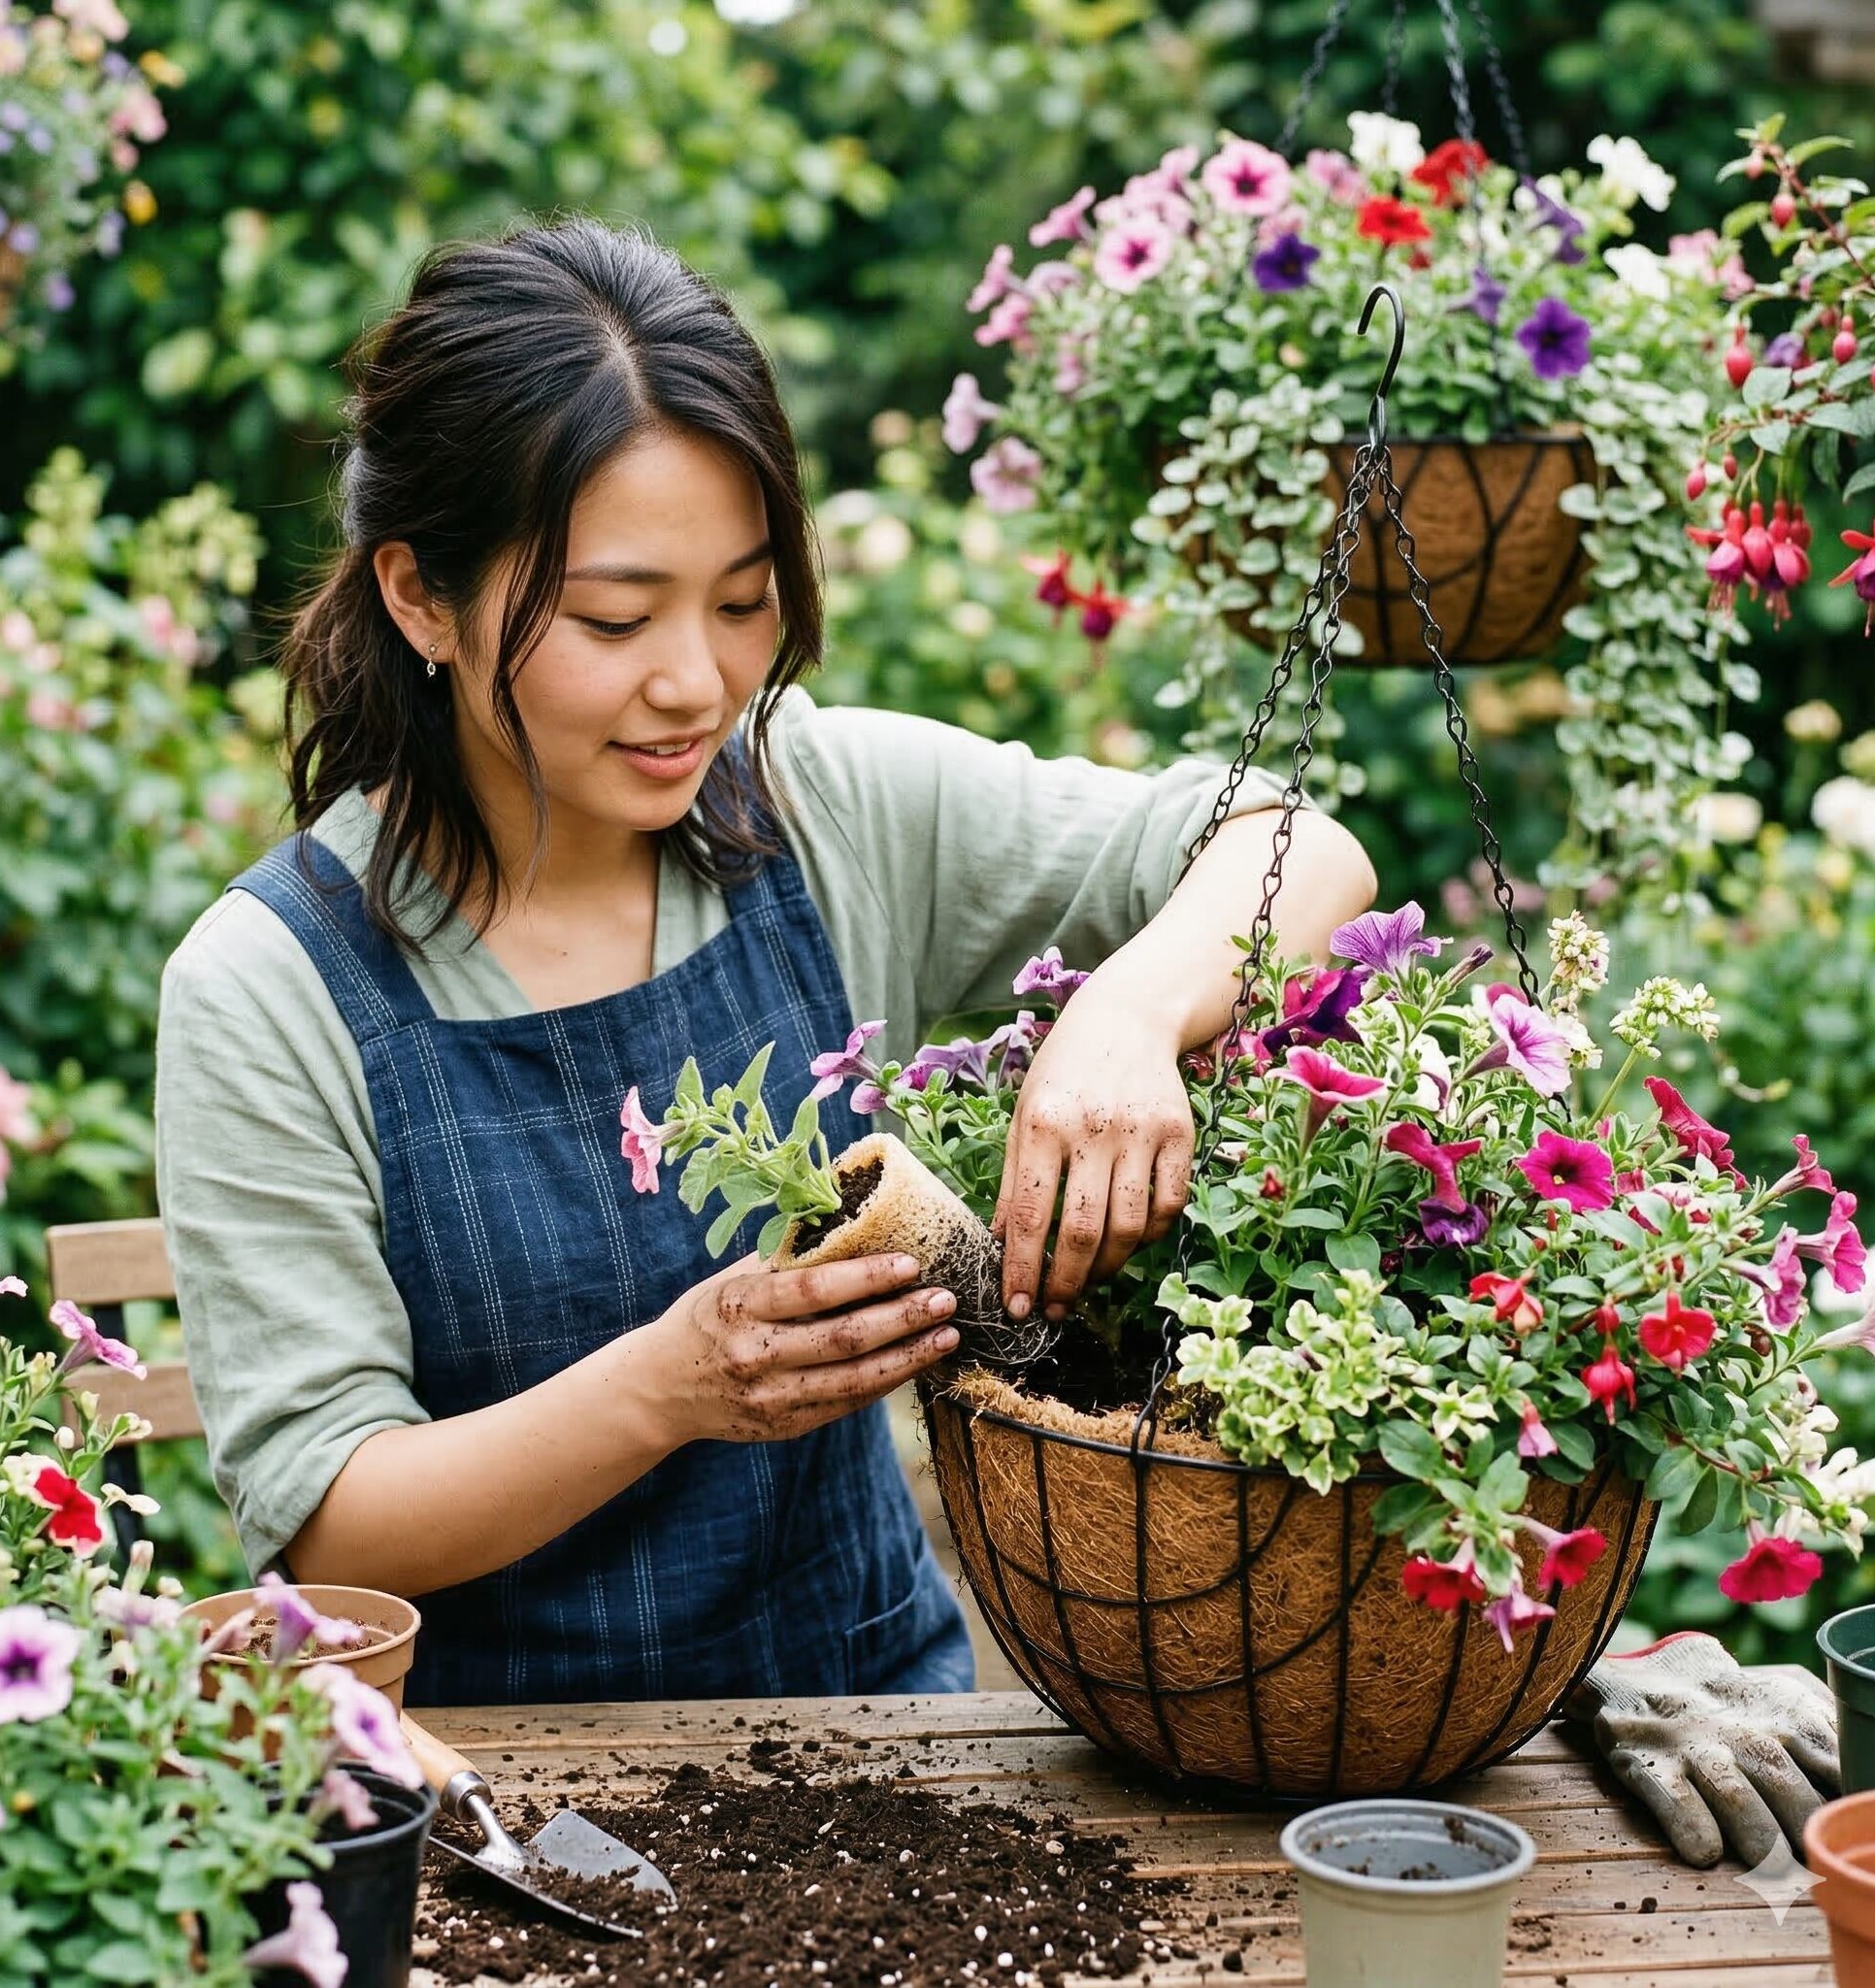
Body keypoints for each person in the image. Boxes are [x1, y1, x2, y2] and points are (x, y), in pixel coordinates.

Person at [154, 218, 1377, 1707]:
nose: (696, 680)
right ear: (420, 596)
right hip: (500, 1799)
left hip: (882, 1733)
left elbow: (1293, 846)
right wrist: (671, 1388)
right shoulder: (275, 986)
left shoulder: (811, 806)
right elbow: (331, 1516)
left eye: (742, 603)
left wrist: (1126, 1013)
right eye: (615, 617)